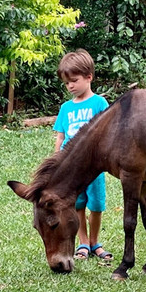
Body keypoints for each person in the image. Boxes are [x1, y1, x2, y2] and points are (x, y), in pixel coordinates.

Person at [53, 49, 112, 261]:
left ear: (89, 77)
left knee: (96, 204)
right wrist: (57, 160)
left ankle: (96, 242)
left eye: (74, 81)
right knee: (77, 204)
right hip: (71, 168)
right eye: (66, 82)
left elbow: (107, 133)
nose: (70, 86)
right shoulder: (65, 108)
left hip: (94, 167)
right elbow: (60, 137)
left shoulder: (100, 104)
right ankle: (83, 242)